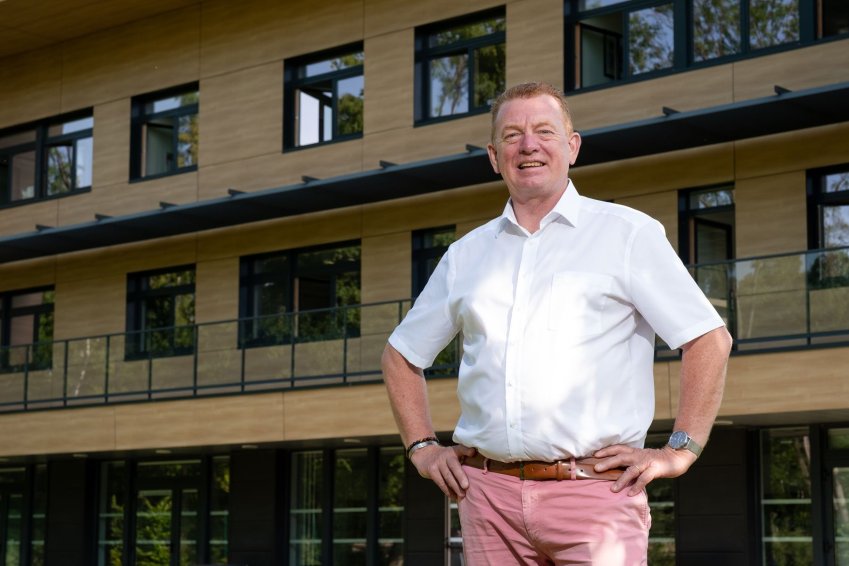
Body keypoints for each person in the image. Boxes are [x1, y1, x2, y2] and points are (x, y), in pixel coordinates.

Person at [381, 82, 732, 565]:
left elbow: (708, 339)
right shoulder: (466, 256)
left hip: (596, 498)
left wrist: (680, 450)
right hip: (487, 500)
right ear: (493, 155)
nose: (528, 145)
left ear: (572, 146)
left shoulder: (627, 234)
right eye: (512, 135)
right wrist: (422, 446)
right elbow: (401, 355)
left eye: (544, 131)